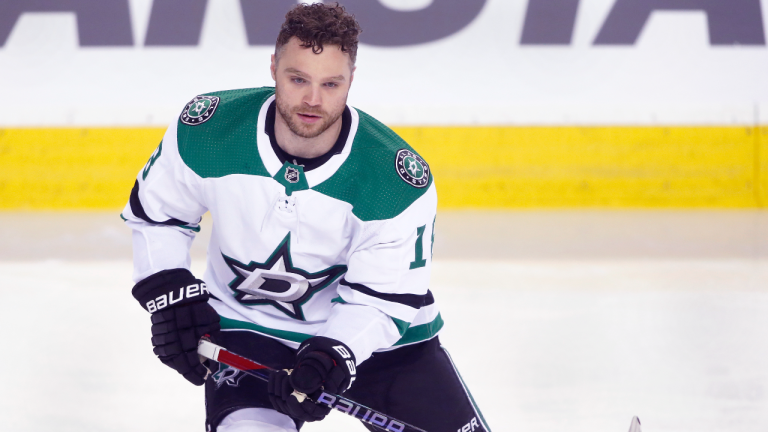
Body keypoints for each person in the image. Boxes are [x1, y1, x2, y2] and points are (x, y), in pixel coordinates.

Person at [123, 3, 490, 431]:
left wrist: (334, 354)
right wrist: (169, 293)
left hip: (385, 346)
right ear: (274, 68)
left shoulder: (395, 181)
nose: (313, 100)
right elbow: (158, 216)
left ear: (351, 79)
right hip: (249, 329)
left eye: (331, 84)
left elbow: (383, 298)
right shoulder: (208, 130)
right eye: (298, 79)